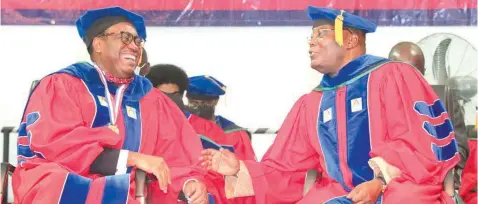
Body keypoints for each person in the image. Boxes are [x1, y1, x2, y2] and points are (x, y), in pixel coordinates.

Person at [200, 6, 460, 203]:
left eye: (321, 34)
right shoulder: (311, 102)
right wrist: (240, 170)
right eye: (311, 36)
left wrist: (379, 182)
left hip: (396, 190)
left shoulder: (393, 77)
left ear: (350, 40)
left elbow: (420, 150)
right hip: (338, 194)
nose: (311, 42)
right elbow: (286, 169)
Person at [12, 6, 209, 204]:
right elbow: (59, 147)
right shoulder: (64, 84)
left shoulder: (150, 98)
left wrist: (187, 181)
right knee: (59, 183)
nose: (134, 46)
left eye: (137, 40)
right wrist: (131, 158)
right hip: (65, 179)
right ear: (98, 44)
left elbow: (176, 152)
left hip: (130, 188)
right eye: (125, 37)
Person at [146, 65, 256, 204]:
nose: (167, 102)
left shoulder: (215, 132)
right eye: (195, 101)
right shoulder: (137, 124)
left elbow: (239, 182)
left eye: (173, 96)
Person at [389, 41, 470, 195]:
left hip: (438, 183)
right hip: (394, 183)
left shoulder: (442, 98)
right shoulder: (380, 101)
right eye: (400, 73)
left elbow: (461, 148)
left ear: (423, 72)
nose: (406, 80)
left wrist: (436, 168)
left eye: (413, 73)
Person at [186, 75, 256, 161]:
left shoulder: (235, 134)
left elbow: (248, 166)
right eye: (194, 102)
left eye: (205, 102)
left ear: (215, 101)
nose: (198, 107)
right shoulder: (179, 129)